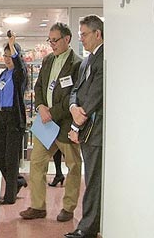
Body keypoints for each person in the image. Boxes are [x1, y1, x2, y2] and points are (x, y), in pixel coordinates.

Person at [19, 22, 82, 222]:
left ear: (67, 39)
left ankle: (69, 208)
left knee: (73, 166)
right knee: (36, 163)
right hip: (45, 124)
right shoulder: (47, 60)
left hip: (64, 124)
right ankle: (38, 207)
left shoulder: (77, 64)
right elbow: (38, 88)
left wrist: (52, 112)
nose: (52, 44)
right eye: (50, 40)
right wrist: (40, 107)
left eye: (55, 40)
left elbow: (74, 96)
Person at [64, 15, 104, 238]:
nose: (82, 39)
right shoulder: (86, 62)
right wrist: (73, 108)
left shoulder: (104, 59)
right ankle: (88, 224)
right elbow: (76, 91)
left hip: (94, 129)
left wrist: (81, 116)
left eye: (85, 35)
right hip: (83, 126)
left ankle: (87, 228)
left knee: (93, 181)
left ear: (98, 34)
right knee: (90, 179)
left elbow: (96, 94)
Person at [0, 32, 28, 205]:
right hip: (3, 115)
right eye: (4, 55)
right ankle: (17, 182)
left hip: (14, 117)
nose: (6, 58)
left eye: (9, 55)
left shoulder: (20, 74)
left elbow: (18, 66)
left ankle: (10, 195)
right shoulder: (4, 74)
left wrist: (12, 45)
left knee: (11, 158)